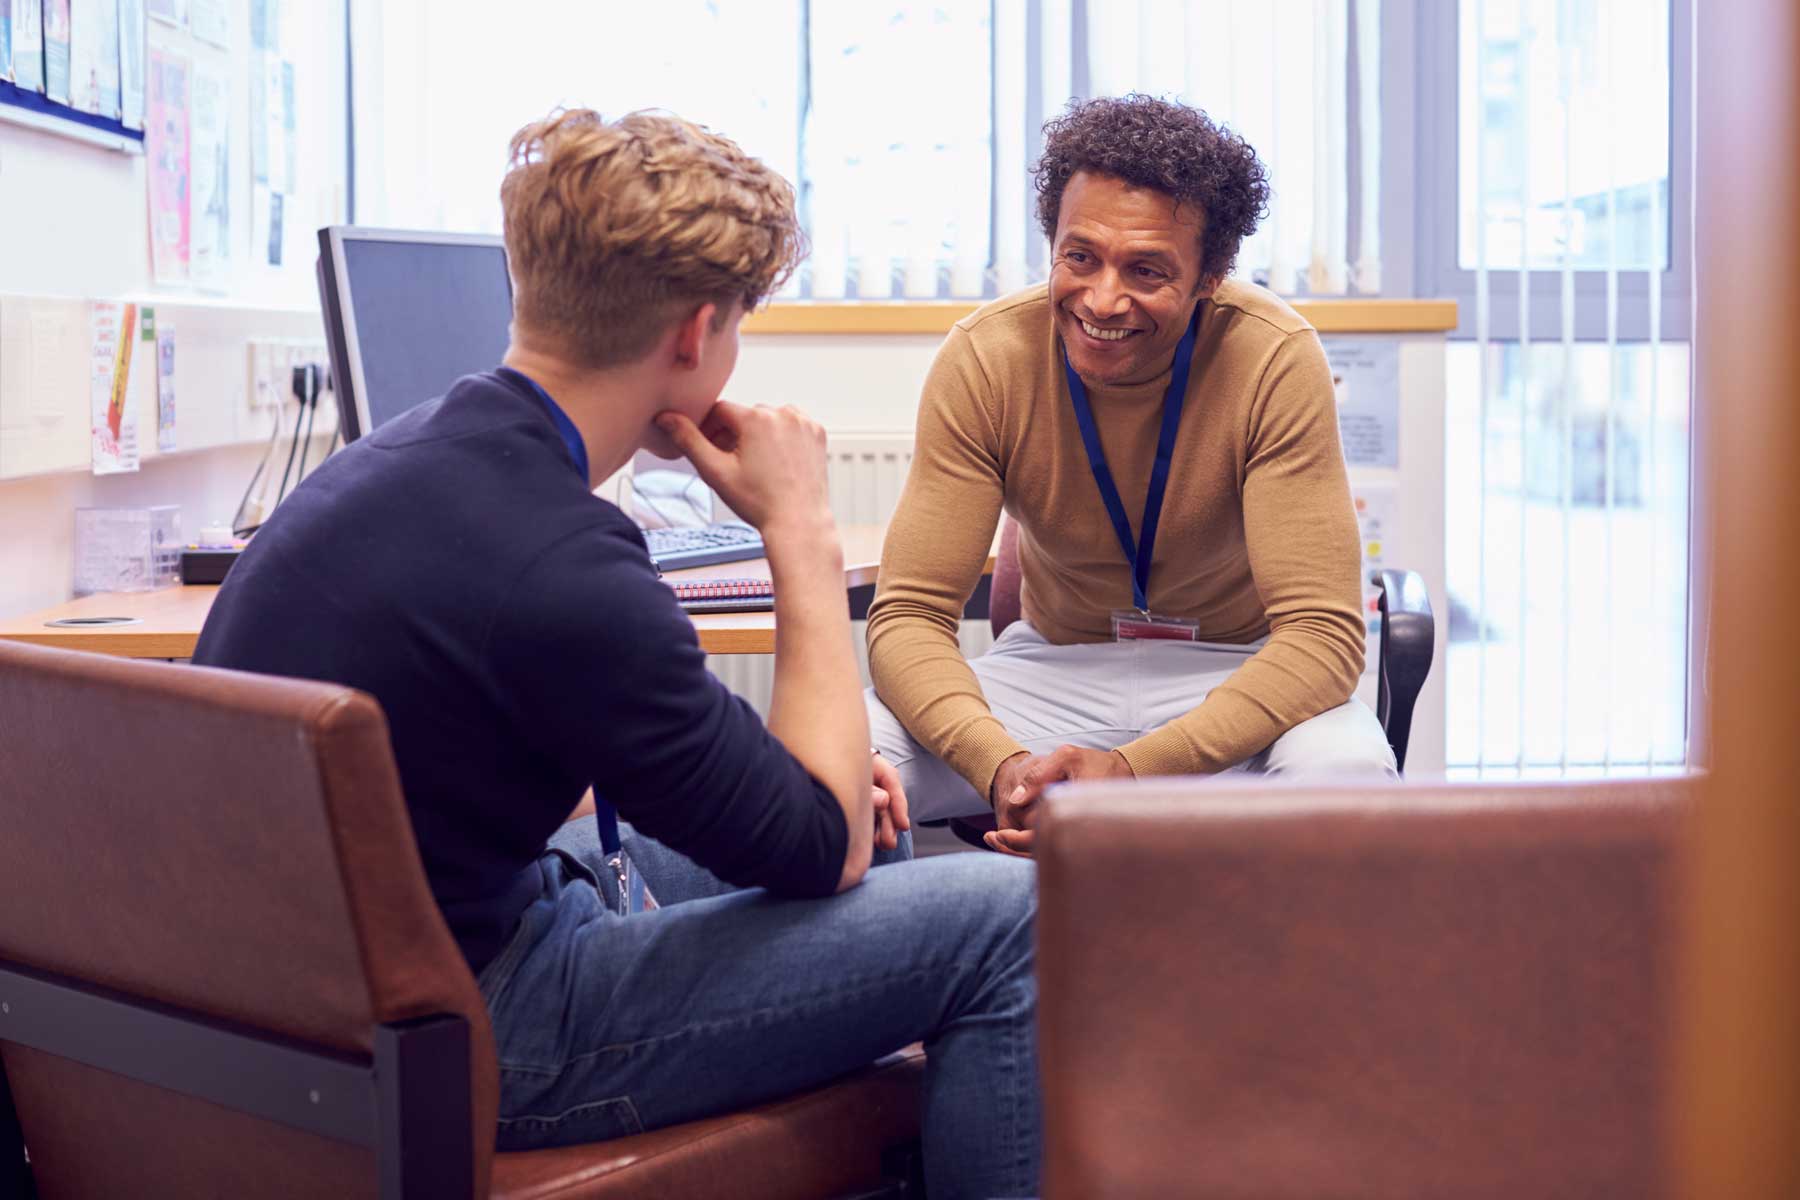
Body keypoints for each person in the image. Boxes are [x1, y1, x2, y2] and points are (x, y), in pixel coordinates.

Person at [193, 109, 1039, 1198]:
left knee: (883, 837)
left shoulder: (403, 456)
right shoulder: (563, 565)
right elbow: (816, 846)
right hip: (475, 1028)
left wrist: (818, 806)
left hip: (330, 983)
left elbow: (786, 810)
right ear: (696, 336)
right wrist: (803, 531)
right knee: (1010, 920)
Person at [867, 95, 1395, 854]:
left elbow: (1321, 638)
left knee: (1347, 779)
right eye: (1080, 256)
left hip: (1234, 672)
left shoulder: (1273, 358)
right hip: (1054, 672)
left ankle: (1274, 977)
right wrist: (1004, 768)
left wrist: (1134, 771)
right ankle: (927, 963)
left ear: (1210, 275)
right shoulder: (987, 358)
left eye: (1146, 269)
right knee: (841, 760)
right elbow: (908, 617)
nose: (1103, 299)